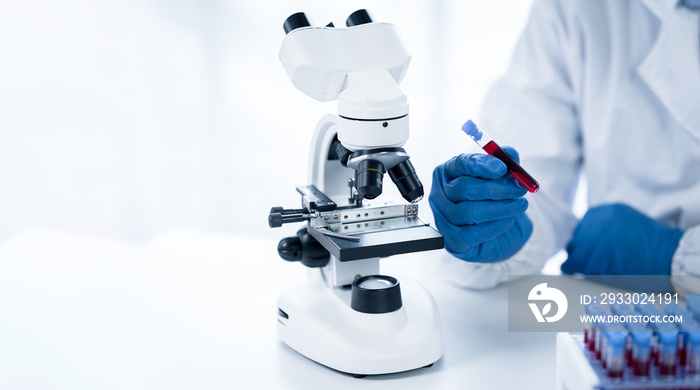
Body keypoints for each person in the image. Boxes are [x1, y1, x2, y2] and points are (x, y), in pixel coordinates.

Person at [429, 0, 700, 289]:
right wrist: (494, 221)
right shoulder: (575, 7)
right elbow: (537, 176)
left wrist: (681, 258)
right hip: (626, 308)